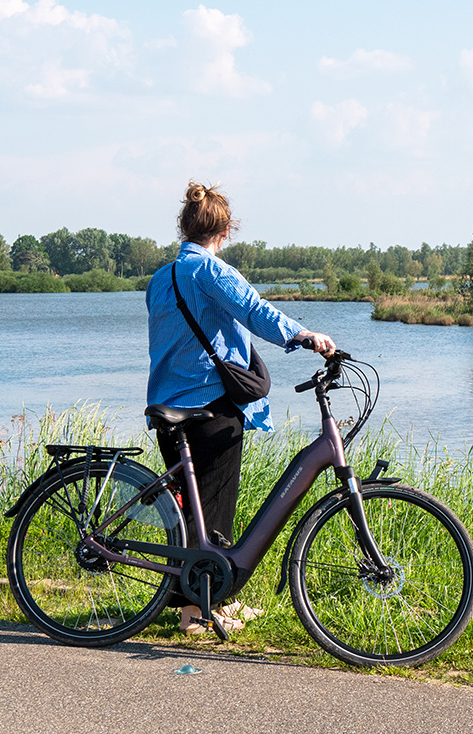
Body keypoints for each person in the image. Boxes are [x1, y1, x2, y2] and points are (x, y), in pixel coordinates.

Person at [146, 181, 335, 634]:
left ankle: (213, 601)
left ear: (184, 226)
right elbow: (255, 310)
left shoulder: (160, 278)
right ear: (226, 231)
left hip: (167, 404)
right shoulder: (211, 271)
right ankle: (196, 614)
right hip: (209, 405)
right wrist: (303, 335)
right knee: (212, 506)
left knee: (193, 512)